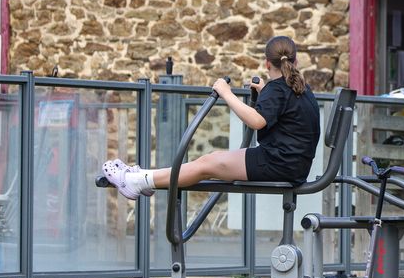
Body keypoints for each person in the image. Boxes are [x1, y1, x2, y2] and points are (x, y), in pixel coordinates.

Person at [101, 36, 321, 199]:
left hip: (279, 164)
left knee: (206, 165)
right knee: (211, 159)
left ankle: (138, 181)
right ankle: (148, 178)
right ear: (295, 61)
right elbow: (287, 114)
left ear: (267, 63)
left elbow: (256, 121)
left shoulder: (277, 88)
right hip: (292, 164)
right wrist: (264, 92)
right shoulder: (300, 88)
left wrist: (226, 93)